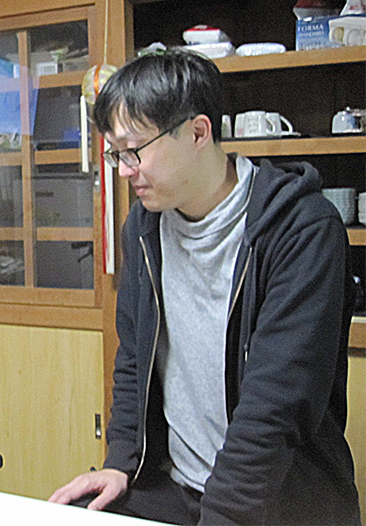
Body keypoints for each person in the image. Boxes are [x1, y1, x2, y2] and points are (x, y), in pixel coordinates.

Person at [48, 49, 360, 524]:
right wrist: (121, 462)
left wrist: (223, 515)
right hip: (178, 486)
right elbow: (134, 359)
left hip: (275, 500)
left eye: (134, 150)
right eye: (116, 153)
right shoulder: (145, 228)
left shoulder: (302, 229)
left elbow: (276, 407)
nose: (124, 170)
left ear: (198, 132)